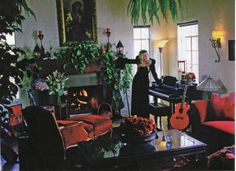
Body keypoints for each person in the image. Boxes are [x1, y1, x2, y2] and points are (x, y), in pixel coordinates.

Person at [119, 50, 162, 118]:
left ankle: (145, 117)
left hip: (145, 83)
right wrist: (120, 59)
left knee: (145, 100)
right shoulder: (139, 60)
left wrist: (159, 82)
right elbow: (129, 61)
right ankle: (139, 117)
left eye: (147, 54)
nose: (146, 56)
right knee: (138, 100)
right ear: (141, 56)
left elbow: (154, 74)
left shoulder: (151, 62)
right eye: (144, 55)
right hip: (137, 82)